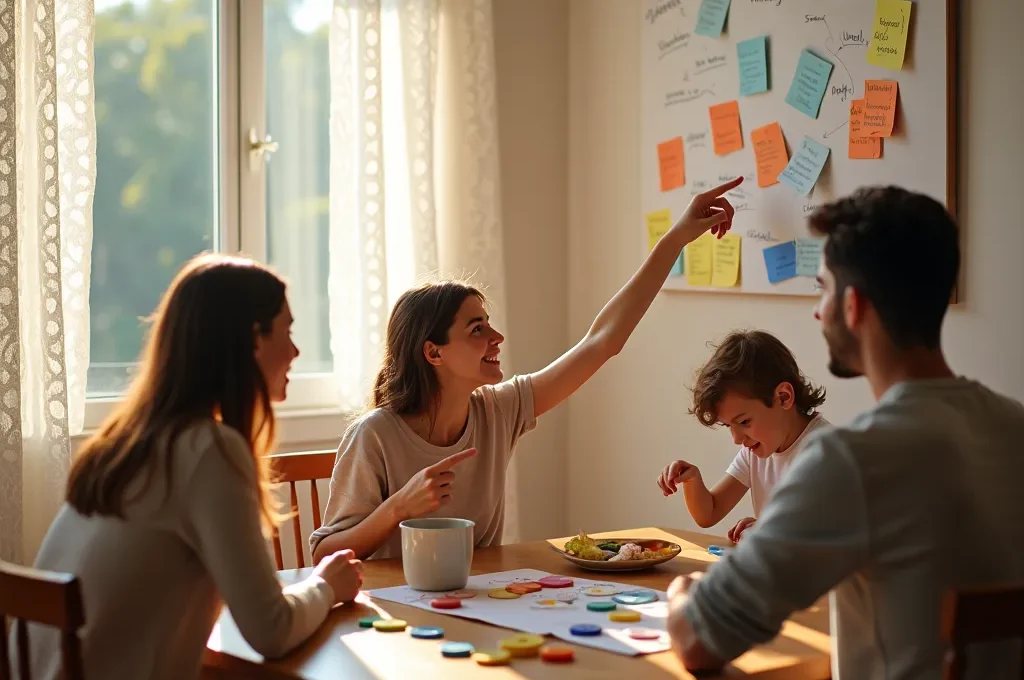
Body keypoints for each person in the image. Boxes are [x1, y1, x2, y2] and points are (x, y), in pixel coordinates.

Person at [667, 186, 1024, 679]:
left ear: (853, 306)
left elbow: (698, 639)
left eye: (823, 288)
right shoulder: (1015, 426)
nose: (818, 310)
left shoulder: (851, 460)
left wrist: (680, 592)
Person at [310, 177, 744, 562]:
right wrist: (397, 508)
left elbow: (603, 341)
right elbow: (325, 552)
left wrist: (676, 239)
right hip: (391, 613)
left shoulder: (498, 411)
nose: (497, 337)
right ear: (433, 352)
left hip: (474, 600)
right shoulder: (375, 436)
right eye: (477, 328)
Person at [19, 254, 363, 680]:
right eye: (286, 330)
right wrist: (327, 584)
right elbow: (271, 630)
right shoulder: (209, 450)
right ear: (253, 339)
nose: (295, 350)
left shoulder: (123, 444)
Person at [657, 330, 829, 542]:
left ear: (783, 397)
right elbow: (708, 514)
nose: (737, 439)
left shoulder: (828, 452)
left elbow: (831, 537)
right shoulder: (755, 451)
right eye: (728, 425)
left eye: (744, 422)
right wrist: (692, 479)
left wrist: (769, 529)